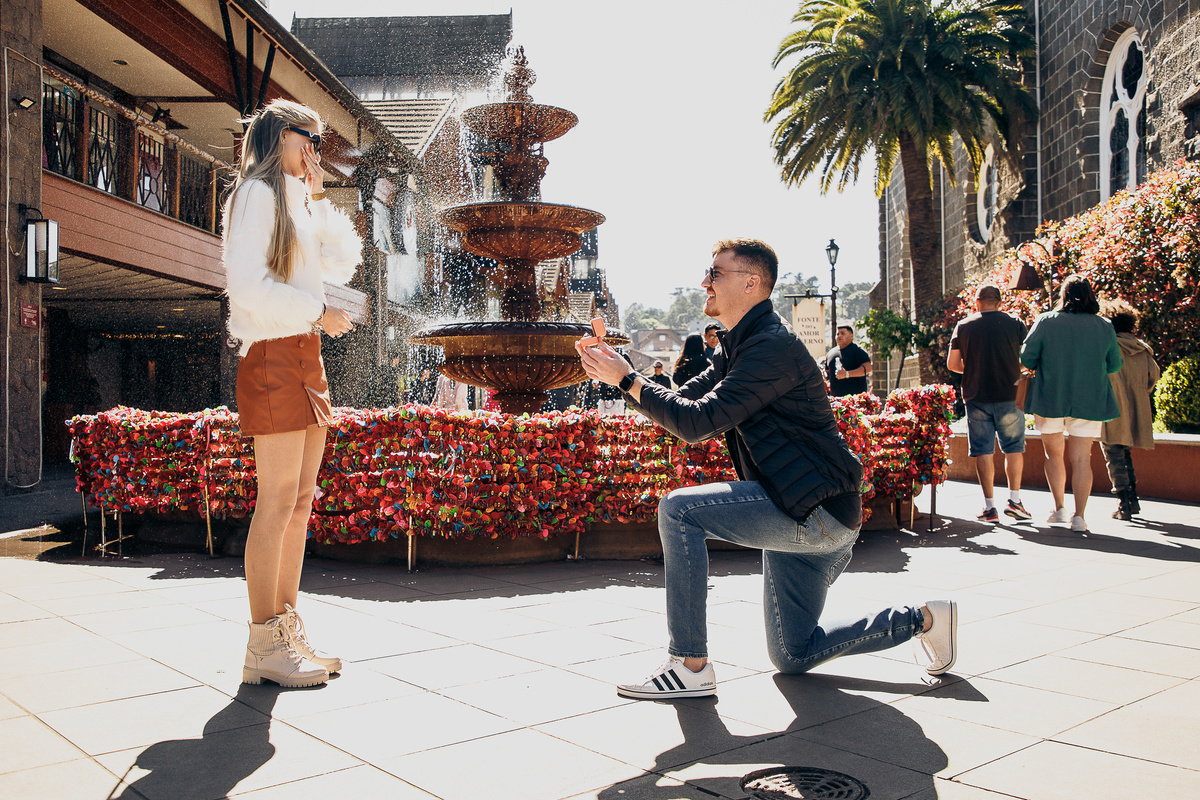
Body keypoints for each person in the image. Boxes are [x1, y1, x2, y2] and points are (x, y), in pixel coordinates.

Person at [576, 237, 957, 699]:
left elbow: (697, 424)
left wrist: (626, 379)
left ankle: (689, 664)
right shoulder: (740, 346)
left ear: (751, 283)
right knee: (793, 654)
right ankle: (925, 618)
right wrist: (616, 370)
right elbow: (685, 401)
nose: (704, 282)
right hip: (802, 510)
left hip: (815, 514)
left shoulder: (772, 348)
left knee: (678, 510)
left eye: (715, 273)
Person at [224, 99, 360, 688]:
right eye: (310, 140)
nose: (316, 151)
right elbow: (246, 286)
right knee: (277, 502)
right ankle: (263, 644)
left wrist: (319, 196)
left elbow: (344, 265)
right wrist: (315, 311)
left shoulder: (294, 196)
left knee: (300, 502)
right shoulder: (254, 195)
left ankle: (285, 629)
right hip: (275, 352)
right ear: (282, 135)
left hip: (305, 354)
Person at [1020, 275, 1123, 532]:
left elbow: (1027, 357)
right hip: (1089, 398)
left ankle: (1059, 509)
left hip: (1050, 396)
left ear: (1063, 296)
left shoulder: (1046, 321)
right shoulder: (1104, 325)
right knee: (1081, 459)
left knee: (1053, 455)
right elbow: (1114, 364)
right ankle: (1080, 517)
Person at [946, 285, 1030, 523]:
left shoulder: (964, 326)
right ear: (1000, 302)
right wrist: (1016, 369)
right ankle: (1015, 502)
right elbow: (1028, 359)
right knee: (1013, 447)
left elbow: (953, 364)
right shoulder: (1015, 323)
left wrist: (973, 369)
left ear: (977, 302)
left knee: (983, 450)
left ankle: (989, 508)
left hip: (976, 396)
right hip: (1010, 395)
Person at [1099, 300, 1160, 520]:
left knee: (1113, 451)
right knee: (1125, 451)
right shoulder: (1142, 348)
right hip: (1136, 407)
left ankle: (1123, 500)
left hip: (1113, 405)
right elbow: (1153, 376)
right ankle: (1133, 498)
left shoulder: (1107, 345)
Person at [825, 325, 872, 396]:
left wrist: (847, 374)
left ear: (851, 336)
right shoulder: (831, 353)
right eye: (837, 334)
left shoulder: (858, 351)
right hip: (835, 400)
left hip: (855, 399)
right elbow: (828, 373)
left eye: (843, 333)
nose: (839, 336)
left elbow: (868, 368)